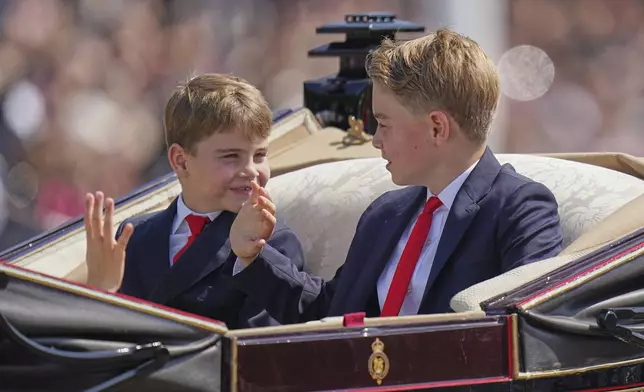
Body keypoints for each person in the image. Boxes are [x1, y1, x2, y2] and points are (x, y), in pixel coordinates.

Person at [229, 29, 564, 324]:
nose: (375, 139)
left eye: (384, 123)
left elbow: (527, 332)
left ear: (437, 127)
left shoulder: (519, 208)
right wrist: (254, 255)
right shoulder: (386, 212)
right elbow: (331, 315)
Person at [82, 73, 304, 329]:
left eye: (260, 155)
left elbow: (256, 351)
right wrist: (101, 292)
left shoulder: (273, 243)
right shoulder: (134, 236)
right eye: (231, 156)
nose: (251, 170)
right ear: (181, 160)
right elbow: (107, 342)